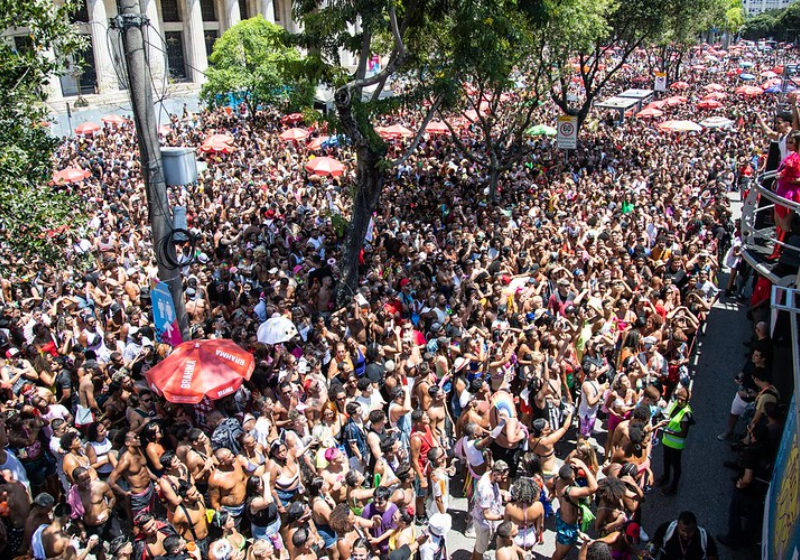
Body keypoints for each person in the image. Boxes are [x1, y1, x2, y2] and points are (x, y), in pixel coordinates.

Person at [552, 458, 598, 560]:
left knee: (559, 548)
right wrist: (584, 467)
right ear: (572, 478)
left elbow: (571, 460)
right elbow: (594, 487)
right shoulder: (571, 492)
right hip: (567, 527)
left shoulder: (560, 481)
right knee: (560, 554)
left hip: (563, 519)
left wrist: (574, 465)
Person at [657, 386, 693, 496]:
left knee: (676, 466)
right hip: (667, 441)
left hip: (676, 445)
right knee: (666, 461)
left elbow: (683, 434)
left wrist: (668, 431)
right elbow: (672, 419)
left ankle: (673, 488)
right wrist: (666, 423)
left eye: (683, 400)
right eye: (679, 398)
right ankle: (666, 477)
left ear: (687, 401)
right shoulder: (676, 405)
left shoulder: (686, 414)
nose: (680, 401)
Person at [471, 460, 508, 560]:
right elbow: (487, 515)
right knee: (481, 549)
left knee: (479, 544)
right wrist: (504, 517)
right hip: (483, 524)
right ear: (495, 474)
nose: (504, 480)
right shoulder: (486, 490)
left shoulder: (489, 475)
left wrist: (502, 492)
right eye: (503, 477)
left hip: (484, 521)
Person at [651, 511, 718, 560]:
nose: (686, 534)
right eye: (683, 531)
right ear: (677, 525)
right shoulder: (666, 529)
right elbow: (655, 544)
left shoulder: (705, 538)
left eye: (690, 531)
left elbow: (713, 556)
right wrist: (649, 552)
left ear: (696, 527)